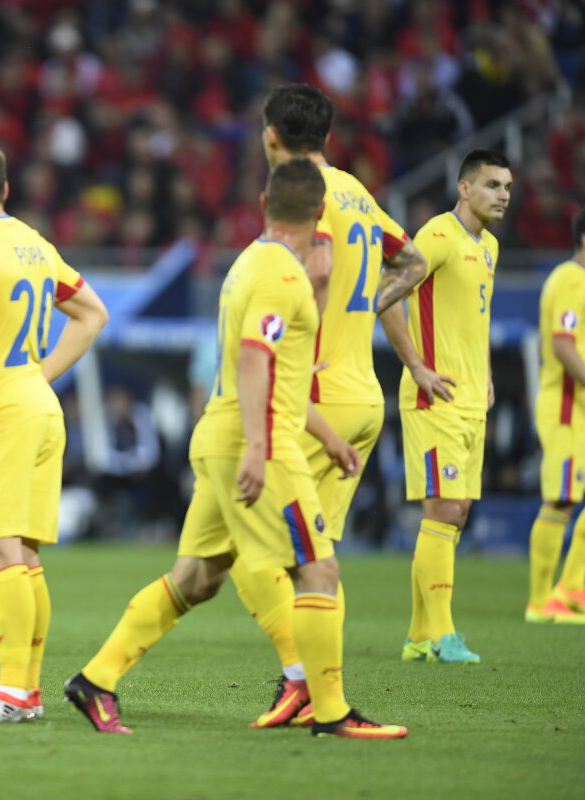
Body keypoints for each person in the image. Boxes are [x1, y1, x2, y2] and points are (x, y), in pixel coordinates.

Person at [65, 158, 408, 739]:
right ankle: (330, 712)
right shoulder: (284, 276)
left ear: (264, 202)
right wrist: (258, 447)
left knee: (197, 577)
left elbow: (279, 370)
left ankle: (96, 680)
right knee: (317, 568)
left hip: (221, 434)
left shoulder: (249, 260)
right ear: (318, 214)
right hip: (259, 441)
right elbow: (257, 359)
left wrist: (324, 434)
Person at [231, 83, 430, 729]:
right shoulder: (359, 194)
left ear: (270, 136)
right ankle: (320, 692)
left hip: (311, 398)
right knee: (314, 561)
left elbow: (311, 277)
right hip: (363, 396)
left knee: (245, 551)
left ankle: (305, 683)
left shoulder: (306, 202)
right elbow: (416, 261)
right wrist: (369, 306)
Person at [0, 138, 108, 724]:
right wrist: (41, 374)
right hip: (39, 405)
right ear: (6, 190)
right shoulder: (36, 244)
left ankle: (12, 694)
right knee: (26, 557)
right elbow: (93, 313)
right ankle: (27, 693)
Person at [379, 148, 513, 663]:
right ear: (463, 188)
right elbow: (386, 291)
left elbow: (470, 319)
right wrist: (416, 366)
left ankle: (418, 636)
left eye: (506, 187)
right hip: (434, 399)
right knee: (445, 509)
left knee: (454, 516)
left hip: (472, 399)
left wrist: (487, 375)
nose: (502, 195)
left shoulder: (490, 248)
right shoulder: (437, 236)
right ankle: (442, 634)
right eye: (491, 185)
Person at [524, 209, 585, 624]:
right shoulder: (570, 279)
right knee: (562, 500)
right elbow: (564, 346)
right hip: (565, 407)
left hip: (576, 407)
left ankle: (569, 591)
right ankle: (543, 599)